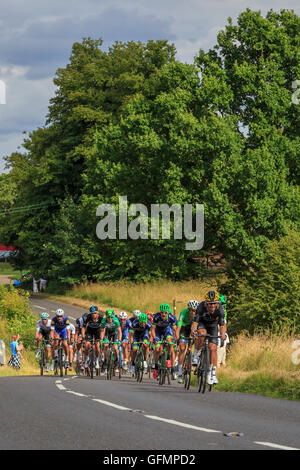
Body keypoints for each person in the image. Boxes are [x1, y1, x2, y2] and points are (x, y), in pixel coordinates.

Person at [191, 290, 226, 385]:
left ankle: (212, 373)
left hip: (213, 326)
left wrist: (223, 334)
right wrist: (193, 331)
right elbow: (195, 323)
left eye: (214, 303)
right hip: (202, 324)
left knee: (213, 348)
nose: (212, 306)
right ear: (206, 303)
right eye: (210, 304)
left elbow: (222, 325)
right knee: (202, 334)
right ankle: (196, 354)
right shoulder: (201, 307)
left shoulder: (220, 309)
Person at [151, 303, 178, 380]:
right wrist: (155, 339)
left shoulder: (172, 318)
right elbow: (152, 329)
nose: (163, 314)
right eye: (162, 312)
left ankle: (169, 360)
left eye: (165, 312)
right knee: (157, 349)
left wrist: (176, 340)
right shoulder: (156, 317)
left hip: (167, 331)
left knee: (170, 342)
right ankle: (156, 367)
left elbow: (174, 330)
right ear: (160, 312)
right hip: (158, 332)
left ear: (168, 312)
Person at [175, 300, 198, 383]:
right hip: (184, 328)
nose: (192, 312)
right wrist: (178, 339)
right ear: (188, 309)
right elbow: (178, 328)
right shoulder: (184, 312)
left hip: (193, 328)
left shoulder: (198, 315)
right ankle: (180, 372)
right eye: (191, 310)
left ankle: (195, 357)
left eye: (194, 310)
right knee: (182, 348)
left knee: (198, 339)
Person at [81, 306, 104, 370]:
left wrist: (102, 337)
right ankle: (87, 358)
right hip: (89, 331)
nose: (94, 315)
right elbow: (83, 327)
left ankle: (97, 361)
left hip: (97, 331)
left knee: (97, 345)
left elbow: (103, 328)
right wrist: (83, 336)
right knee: (87, 345)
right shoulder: (87, 317)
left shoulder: (101, 317)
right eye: (92, 313)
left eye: (95, 313)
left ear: (98, 313)